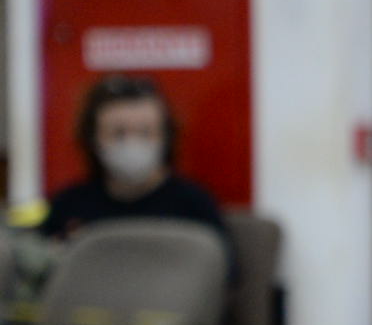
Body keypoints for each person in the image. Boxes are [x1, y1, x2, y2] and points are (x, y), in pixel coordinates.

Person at [43, 75, 234, 278]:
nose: (132, 144)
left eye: (145, 132)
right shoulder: (68, 205)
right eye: (118, 133)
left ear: (166, 137)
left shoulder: (194, 205)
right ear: (93, 139)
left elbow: (225, 277)